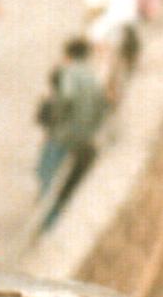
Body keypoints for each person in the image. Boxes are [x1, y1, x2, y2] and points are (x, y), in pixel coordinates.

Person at [33, 38, 109, 228]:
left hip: (64, 135)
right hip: (84, 138)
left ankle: (49, 222)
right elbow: (102, 106)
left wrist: (55, 121)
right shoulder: (93, 77)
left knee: (46, 174)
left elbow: (67, 97)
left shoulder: (69, 72)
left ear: (68, 55)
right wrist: (90, 129)